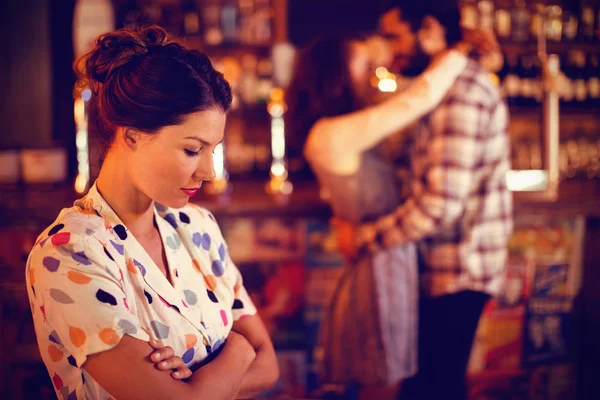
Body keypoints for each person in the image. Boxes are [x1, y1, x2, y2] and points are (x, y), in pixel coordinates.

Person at [25, 25, 278, 400]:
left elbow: (269, 366)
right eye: (193, 150)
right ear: (131, 136)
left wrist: (201, 381)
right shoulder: (68, 252)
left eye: (213, 150)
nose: (208, 172)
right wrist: (239, 350)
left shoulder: (199, 226)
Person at [285, 29, 494, 398]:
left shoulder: (348, 126)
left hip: (390, 256)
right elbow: (420, 99)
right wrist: (462, 49)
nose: (375, 71)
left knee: (393, 378)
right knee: (384, 380)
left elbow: (408, 97)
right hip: (379, 264)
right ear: (335, 74)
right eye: (365, 65)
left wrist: (484, 63)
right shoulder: (330, 134)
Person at [348, 2, 513, 399]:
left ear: (428, 29)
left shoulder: (462, 92)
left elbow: (440, 203)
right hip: (443, 266)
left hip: (457, 268)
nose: (389, 50)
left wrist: (364, 239)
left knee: (435, 388)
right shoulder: (438, 86)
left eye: (394, 35)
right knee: (427, 386)